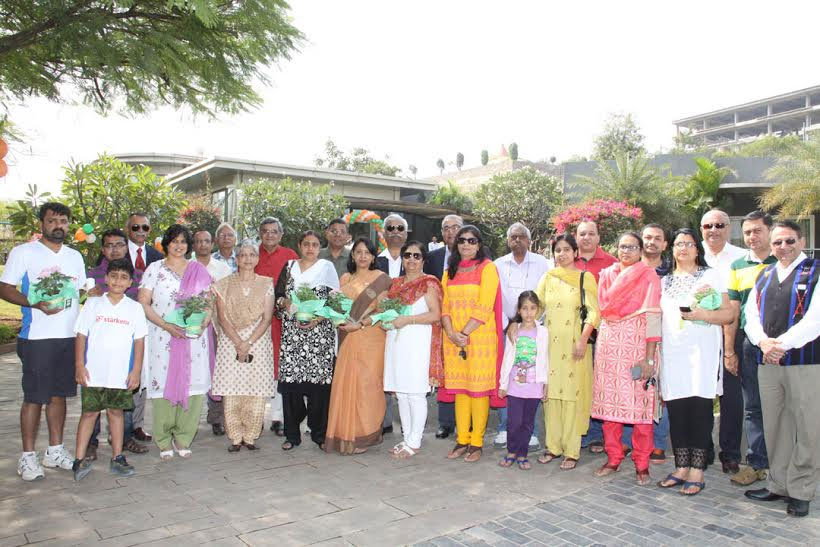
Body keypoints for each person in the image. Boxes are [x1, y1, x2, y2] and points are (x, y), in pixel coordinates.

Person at [0, 202, 86, 481]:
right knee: (34, 398)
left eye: (63, 221)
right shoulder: (24, 252)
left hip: (68, 337)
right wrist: (34, 303)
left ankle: (54, 451)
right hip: (36, 337)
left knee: (59, 395)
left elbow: (80, 291)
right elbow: (4, 288)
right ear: (42, 224)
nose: (58, 225)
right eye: (52, 220)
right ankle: (27, 457)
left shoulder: (75, 256)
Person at [743, 220, 819, 518]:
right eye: (778, 242)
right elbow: (750, 316)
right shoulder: (764, 275)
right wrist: (763, 343)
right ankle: (778, 484)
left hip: (805, 362)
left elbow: (815, 320)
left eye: (789, 241)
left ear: (802, 241)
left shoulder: (815, 272)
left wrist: (780, 345)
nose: (783, 247)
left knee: (808, 428)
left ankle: (801, 490)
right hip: (768, 362)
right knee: (775, 426)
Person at [657, 229, 733, 496]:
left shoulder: (711, 275)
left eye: (689, 244)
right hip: (673, 353)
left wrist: (704, 314)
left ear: (697, 248)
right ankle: (681, 467)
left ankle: (697, 470)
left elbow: (728, 314)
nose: (683, 248)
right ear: (672, 249)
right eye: (679, 244)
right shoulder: (664, 281)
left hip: (702, 353)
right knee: (677, 409)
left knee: (699, 409)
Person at [138, 224, 213, 460]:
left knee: (192, 386)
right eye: (174, 241)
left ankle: (183, 437)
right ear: (166, 244)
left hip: (193, 338)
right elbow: (143, 303)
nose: (179, 246)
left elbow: (208, 302)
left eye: (183, 241)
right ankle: (163, 439)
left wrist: (204, 322)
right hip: (163, 337)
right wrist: (166, 326)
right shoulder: (155, 269)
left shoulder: (197, 269)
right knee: (163, 384)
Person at [592, 232, 661, 485]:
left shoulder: (648, 276)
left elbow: (653, 318)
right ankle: (613, 457)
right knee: (610, 407)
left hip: (636, 347)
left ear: (640, 251)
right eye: (622, 246)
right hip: (609, 349)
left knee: (640, 408)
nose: (626, 251)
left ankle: (642, 463)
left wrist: (649, 359)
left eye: (632, 247)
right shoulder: (607, 275)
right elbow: (602, 311)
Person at [71, 258, 147, 480]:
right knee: (89, 414)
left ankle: (117, 457)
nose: (117, 281)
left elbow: (139, 342)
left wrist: (136, 371)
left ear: (130, 283)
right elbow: (81, 335)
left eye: (123, 277)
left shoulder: (134, 308)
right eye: (113, 276)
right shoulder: (93, 304)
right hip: (93, 373)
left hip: (119, 374)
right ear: (106, 278)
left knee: (116, 413)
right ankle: (78, 459)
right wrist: (79, 365)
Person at [530, 234, 599, 470]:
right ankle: (553, 447)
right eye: (558, 250)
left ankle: (571, 451)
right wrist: (520, 325)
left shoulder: (584, 278)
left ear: (575, 252)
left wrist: (582, 340)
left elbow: (593, 312)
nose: (562, 254)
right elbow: (536, 307)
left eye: (567, 249)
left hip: (574, 347)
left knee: (571, 397)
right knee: (551, 396)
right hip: (550, 346)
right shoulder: (548, 277)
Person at [324, 238, 392, 454]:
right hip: (348, 338)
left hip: (371, 337)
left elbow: (383, 311)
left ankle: (364, 436)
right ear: (352, 255)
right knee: (346, 385)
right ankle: (346, 436)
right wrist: (337, 318)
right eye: (358, 252)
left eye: (367, 253)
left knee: (367, 386)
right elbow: (336, 307)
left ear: (373, 257)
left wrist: (360, 323)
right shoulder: (346, 278)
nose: (363, 256)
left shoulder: (381, 279)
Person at [441, 225, 502, 463]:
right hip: (454, 340)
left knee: (477, 391)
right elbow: (444, 307)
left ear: (479, 245)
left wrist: (464, 333)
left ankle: (476, 442)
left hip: (479, 339)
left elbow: (485, 306)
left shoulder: (488, 268)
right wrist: (452, 333)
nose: (466, 244)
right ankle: (462, 439)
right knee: (460, 390)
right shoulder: (449, 272)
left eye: (471, 240)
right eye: (462, 240)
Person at [85, 228, 147, 457]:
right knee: (94, 398)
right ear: (103, 249)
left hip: (127, 349)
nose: (115, 249)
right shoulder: (93, 277)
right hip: (98, 350)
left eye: (119, 244)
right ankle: (91, 442)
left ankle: (125, 438)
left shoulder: (138, 276)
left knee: (125, 395)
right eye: (109, 245)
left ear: (126, 247)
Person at [274, 230, 339, 450]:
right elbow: (278, 296)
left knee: (319, 388)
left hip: (320, 337)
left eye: (315, 244)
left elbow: (335, 301)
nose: (310, 248)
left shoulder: (327, 268)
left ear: (320, 247)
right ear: (299, 246)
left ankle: (319, 434)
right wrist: (285, 304)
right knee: (291, 387)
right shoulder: (289, 267)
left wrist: (318, 319)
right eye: (306, 244)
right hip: (292, 336)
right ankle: (292, 436)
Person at [726, 211, 777, 486]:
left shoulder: (784, 261)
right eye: (747, 232)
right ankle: (757, 463)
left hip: (783, 345)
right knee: (753, 406)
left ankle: (782, 465)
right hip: (748, 344)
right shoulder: (738, 266)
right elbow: (733, 311)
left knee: (784, 406)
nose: (752, 236)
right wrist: (729, 350)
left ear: (770, 231)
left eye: (757, 230)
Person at [212, 240, 276, 452]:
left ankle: (250, 437)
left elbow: (267, 318)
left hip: (258, 341)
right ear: (237, 259)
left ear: (257, 259)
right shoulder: (223, 284)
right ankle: (235, 437)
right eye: (243, 255)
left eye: (252, 254)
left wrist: (248, 342)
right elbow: (222, 318)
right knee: (232, 389)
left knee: (256, 389)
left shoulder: (266, 283)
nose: (247, 259)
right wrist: (238, 342)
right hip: (230, 341)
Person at [493, 222, 551, 450]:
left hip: (534, 328)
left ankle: (532, 431)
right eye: (513, 237)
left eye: (521, 237)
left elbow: (545, 296)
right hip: (507, 328)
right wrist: (509, 325)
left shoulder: (541, 263)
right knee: (508, 374)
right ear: (508, 241)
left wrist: (534, 323)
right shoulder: (498, 264)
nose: (517, 240)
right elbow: (496, 299)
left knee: (531, 376)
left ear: (529, 240)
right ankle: (504, 427)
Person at [383, 241, 443, 458]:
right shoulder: (395, 284)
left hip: (418, 343)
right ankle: (406, 437)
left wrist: (408, 320)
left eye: (417, 256)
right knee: (401, 393)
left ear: (424, 260)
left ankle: (415, 441)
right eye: (407, 255)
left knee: (416, 393)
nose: (411, 259)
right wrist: (385, 320)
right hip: (396, 341)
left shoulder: (429, 283)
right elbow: (387, 312)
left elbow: (435, 315)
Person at [701, 209, 746, 474]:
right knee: (702, 394)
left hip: (731, 335)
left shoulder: (741, 258)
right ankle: (704, 448)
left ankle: (730, 453)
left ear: (729, 228)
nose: (714, 230)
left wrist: (730, 349)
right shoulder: (694, 255)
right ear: (701, 229)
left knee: (731, 397)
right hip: (699, 337)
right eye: (708, 225)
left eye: (719, 225)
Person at [574, 219, 616, 454]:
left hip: (602, 334)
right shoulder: (568, 260)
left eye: (591, 233)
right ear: (576, 237)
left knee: (598, 383)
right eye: (582, 234)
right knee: (578, 383)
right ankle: (578, 431)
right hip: (572, 333)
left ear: (599, 237)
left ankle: (597, 435)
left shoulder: (611, 263)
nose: (587, 238)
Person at [255, 217, 298, 437]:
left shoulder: (290, 256)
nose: (269, 235)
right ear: (260, 234)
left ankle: (278, 417)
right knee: (258, 366)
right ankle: (256, 417)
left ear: (281, 235)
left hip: (283, 320)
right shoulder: (252, 255)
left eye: (274, 231)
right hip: (257, 320)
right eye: (265, 231)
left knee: (281, 367)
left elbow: (297, 286)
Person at [498, 291, 548, 471]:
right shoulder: (514, 331)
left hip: (534, 387)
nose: (529, 312)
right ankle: (511, 451)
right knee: (514, 422)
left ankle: (522, 454)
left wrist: (545, 385)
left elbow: (545, 359)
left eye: (533, 308)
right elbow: (507, 359)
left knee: (528, 423)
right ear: (519, 310)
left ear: (538, 310)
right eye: (525, 308)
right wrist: (503, 384)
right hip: (515, 387)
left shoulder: (543, 332)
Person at [424, 214, 463, 440]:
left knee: (465, 370)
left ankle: (465, 419)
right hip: (439, 322)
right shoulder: (433, 257)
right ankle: (446, 422)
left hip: (466, 322)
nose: (451, 232)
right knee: (444, 371)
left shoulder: (478, 255)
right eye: (446, 228)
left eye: (455, 227)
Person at [125, 212, 162, 444]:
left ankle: (136, 424)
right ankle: (121, 428)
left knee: (142, 373)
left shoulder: (157, 257)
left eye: (145, 227)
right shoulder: (115, 250)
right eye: (135, 227)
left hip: (149, 322)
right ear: (127, 229)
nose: (140, 231)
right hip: (121, 322)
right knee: (126, 372)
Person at [192, 230, 232, 436]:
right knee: (192, 369)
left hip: (217, 325)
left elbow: (228, 296)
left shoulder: (223, 268)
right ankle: (187, 419)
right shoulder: (187, 266)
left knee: (217, 370)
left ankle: (216, 417)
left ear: (212, 243)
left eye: (206, 241)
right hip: (192, 324)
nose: (202, 245)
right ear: (193, 244)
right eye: (198, 241)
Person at [640, 223, 671, 464]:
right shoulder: (630, 269)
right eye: (647, 237)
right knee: (634, 384)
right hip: (633, 338)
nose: (651, 242)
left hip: (665, 339)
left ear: (665, 244)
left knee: (661, 390)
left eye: (657, 238)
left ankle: (658, 443)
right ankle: (630, 441)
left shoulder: (671, 273)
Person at [376, 213, 409, 434]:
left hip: (409, 326)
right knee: (382, 372)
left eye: (399, 228)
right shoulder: (375, 261)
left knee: (406, 372)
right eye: (390, 228)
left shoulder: (415, 258)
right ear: (384, 233)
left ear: (405, 233)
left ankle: (409, 425)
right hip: (380, 326)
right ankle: (384, 422)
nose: (395, 232)